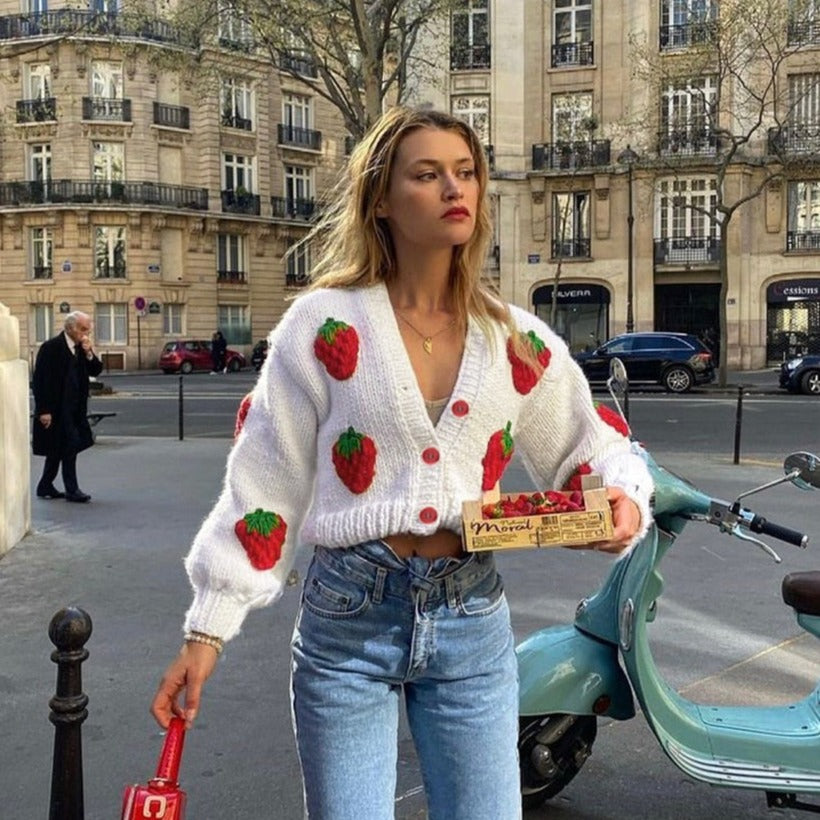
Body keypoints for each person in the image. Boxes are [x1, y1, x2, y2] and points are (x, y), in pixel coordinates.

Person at [151, 107, 654, 820]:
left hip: (471, 614)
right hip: (347, 615)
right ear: (382, 200)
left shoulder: (515, 338)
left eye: (466, 171)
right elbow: (267, 480)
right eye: (427, 174)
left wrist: (621, 500)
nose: (455, 187)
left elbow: (594, 446)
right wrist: (207, 631)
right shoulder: (324, 323)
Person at [32, 311, 103, 503]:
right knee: (69, 446)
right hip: (56, 408)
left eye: (88, 329)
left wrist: (89, 353)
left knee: (58, 448)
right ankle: (72, 490)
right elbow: (40, 381)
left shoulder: (81, 348)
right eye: (83, 329)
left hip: (75, 408)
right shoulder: (51, 348)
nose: (86, 333)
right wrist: (43, 410)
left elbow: (96, 369)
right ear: (70, 328)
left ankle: (45, 485)